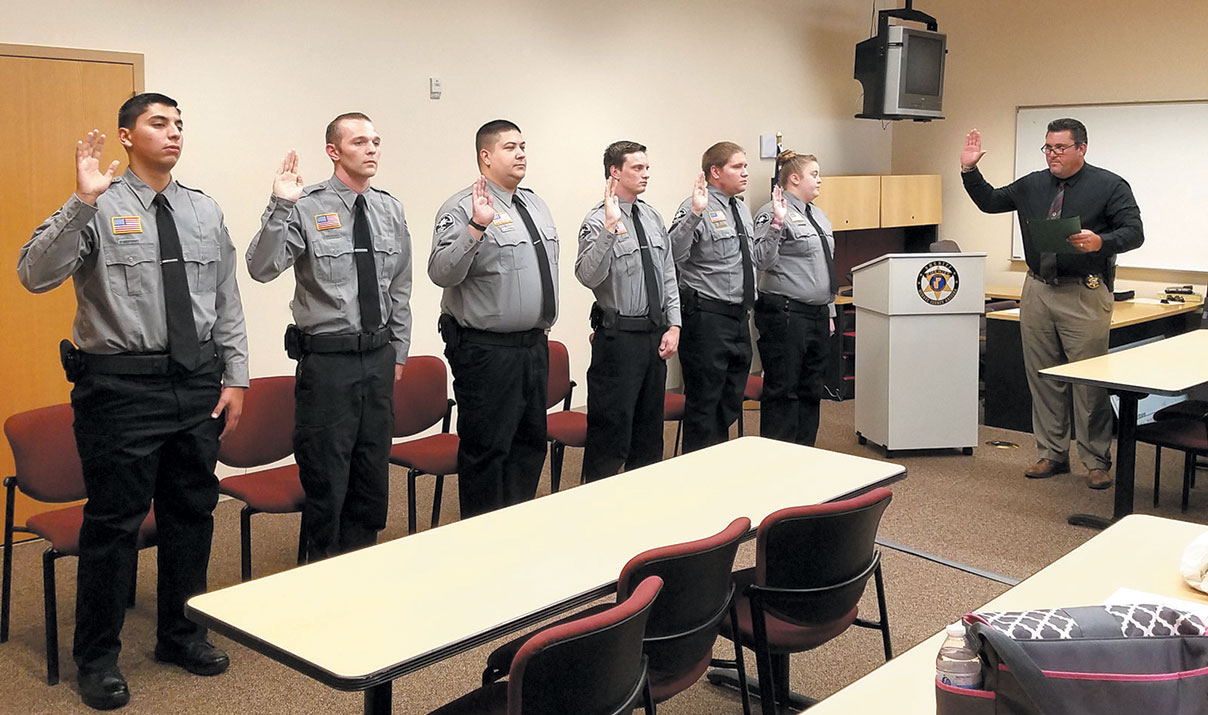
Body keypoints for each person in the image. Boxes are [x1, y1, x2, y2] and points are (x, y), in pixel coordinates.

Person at [17, 93, 248, 710]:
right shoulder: (98, 203)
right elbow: (33, 274)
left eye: (179, 124)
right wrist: (82, 201)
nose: (173, 134)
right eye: (158, 123)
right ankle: (96, 658)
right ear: (125, 136)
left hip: (196, 383)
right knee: (114, 526)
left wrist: (237, 377)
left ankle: (180, 634)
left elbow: (226, 299)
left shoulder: (202, 210)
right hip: (120, 389)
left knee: (191, 515)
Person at [247, 112, 412, 560]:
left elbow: (400, 287)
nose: (372, 149)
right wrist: (280, 204)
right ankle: (318, 574)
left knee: (371, 476)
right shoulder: (306, 205)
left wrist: (398, 352)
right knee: (327, 479)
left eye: (376, 141)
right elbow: (261, 268)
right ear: (333, 151)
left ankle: (360, 566)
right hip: (328, 364)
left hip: (377, 359)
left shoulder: (389, 208)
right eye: (359, 142)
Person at [961, 118, 1143, 489]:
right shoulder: (1032, 184)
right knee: (1043, 377)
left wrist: (1101, 242)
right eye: (1048, 147)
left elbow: (1134, 232)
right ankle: (1051, 453)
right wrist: (969, 169)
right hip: (1039, 290)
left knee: (1089, 382)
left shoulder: (1109, 185)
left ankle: (1095, 460)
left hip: (1084, 292)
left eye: (1060, 148)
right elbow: (991, 202)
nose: (1053, 155)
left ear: (1082, 148)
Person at [429, 119, 558, 517]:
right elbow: (441, 272)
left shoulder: (534, 203)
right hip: (487, 350)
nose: (520, 153)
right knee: (487, 451)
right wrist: (476, 227)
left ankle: (517, 528)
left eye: (523, 146)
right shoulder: (461, 206)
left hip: (533, 346)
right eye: (509, 147)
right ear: (485, 157)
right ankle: (481, 542)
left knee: (530, 443)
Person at [669, 142, 785, 452]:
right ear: (715, 171)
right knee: (705, 403)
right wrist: (694, 214)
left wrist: (776, 224)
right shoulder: (697, 205)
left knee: (731, 399)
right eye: (738, 166)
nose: (745, 172)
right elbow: (674, 254)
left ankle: (717, 462)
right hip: (707, 318)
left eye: (746, 165)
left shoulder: (741, 209)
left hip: (738, 318)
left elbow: (759, 260)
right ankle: (697, 473)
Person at [575, 141, 681, 480]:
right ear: (615, 172)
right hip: (619, 340)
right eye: (637, 168)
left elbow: (668, 276)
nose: (646, 174)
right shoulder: (596, 220)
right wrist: (609, 229)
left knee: (649, 434)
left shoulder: (652, 217)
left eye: (647, 167)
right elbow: (587, 275)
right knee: (611, 435)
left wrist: (674, 326)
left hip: (654, 339)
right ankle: (597, 514)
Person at [752, 150, 838, 447]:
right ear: (794, 178)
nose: (820, 180)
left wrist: (829, 312)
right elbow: (761, 260)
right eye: (814, 174)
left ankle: (805, 455)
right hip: (785, 313)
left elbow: (826, 266)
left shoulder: (820, 215)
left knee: (811, 389)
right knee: (784, 391)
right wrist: (777, 224)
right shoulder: (772, 211)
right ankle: (778, 460)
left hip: (816, 314)